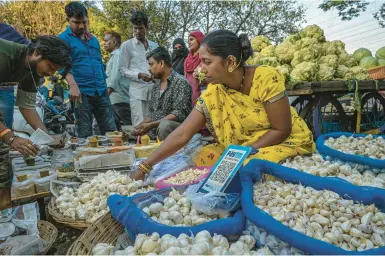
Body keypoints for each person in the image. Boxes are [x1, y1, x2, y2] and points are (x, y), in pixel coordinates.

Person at [132, 30, 315, 181]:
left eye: (207, 62)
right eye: (201, 62)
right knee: (204, 156)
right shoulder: (214, 91)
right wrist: (145, 165)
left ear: (230, 62)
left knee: (251, 166)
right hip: (240, 147)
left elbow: (281, 129)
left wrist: (245, 151)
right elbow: (183, 133)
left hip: (276, 141)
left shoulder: (266, 78)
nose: (200, 69)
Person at [0, 36, 72, 210]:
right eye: (51, 67)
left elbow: (27, 107)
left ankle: (4, 206)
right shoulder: (4, 56)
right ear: (37, 53)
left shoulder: (33, 71)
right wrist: (10, 137)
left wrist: (47, 137)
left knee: (2, 152)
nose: (51, 74)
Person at [58, 2, 116, 138]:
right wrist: (72, 85)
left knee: (112, 131)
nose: (81, 26)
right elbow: (62, 65)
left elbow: (99, 63)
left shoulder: (94, 40)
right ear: (68, 20)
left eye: (84, 22)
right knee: (85, 134)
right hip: (81, 93)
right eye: (76, 22)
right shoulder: (63, 39)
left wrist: (105, 86)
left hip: (101, 90)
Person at [134, 47, 192, 140]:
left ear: (161, 63)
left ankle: (168, 153)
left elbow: (178, 114)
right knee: (132, 132)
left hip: (178, 129)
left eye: (151, 64)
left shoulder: (181, 82)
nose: (149, 69)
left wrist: (151, 125)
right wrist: (141, 125)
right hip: (157, 128)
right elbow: (153, 113)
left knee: (164, 126)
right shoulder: (157, 84)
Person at [120, 11, 159, 127]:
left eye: (140, 28)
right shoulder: (127, 45)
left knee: (152, 123)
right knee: (139, 125)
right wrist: (139, 75)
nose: (137, 32)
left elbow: (158, 66)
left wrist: (155, 75)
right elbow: (122, 69)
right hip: (137, 92)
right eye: (135, 28)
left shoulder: (154, 46)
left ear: (146, 28)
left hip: (153, 90)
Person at [104, 30, 131, 129]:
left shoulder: (118, 55)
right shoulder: (113, 56)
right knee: (116, 131)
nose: (104, 43)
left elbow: (114, 78)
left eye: (106, 41)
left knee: (129, 129)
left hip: (120, 100)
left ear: (114, 42)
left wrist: (106, 96)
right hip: (114, 100)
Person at [184, 30, 205, 105]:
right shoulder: (187, 60)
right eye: (188, 41)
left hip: (203, 94)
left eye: (192, 39)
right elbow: (185, 78)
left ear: (199, 39)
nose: (189, 42)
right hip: (187, 96)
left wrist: (200, 74)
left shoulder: (206, 57)